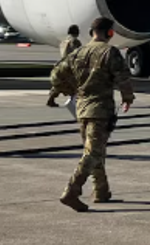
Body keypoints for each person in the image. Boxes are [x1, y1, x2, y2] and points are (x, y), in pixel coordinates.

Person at [50, 16, 135, 211]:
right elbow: (122, 76)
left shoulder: (78, 52)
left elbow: (56, 75)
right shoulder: (109, 52)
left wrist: (66, 89)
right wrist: (127, 98)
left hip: (82, 108)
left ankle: (101, 191)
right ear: (109, 33)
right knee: (93, 152)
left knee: (95, 149)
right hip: (100, 109)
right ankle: (72, 190)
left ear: (91, 33)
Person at [46, 24, 83, 109]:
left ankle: (51, 99)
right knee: (75, 84)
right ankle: (73, 102)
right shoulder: (75, 41)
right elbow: (77, 54)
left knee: (59, 83)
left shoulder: (63, 41)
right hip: (70, 65)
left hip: (61, 63)